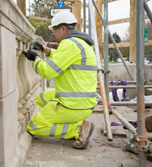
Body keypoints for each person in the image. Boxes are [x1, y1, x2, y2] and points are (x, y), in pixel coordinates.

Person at [23, 11, 97, 149]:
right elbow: (64, 57)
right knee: (41, 98)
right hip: (84, 102)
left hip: (73, 105)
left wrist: (35, 59)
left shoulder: (68, 44)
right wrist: (46, 50)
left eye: (54, 29)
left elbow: (48, 72)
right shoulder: (82, 43)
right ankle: (67, 119)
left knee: (33, 126)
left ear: (63, 28)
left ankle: (77, 129)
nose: (53, 33)